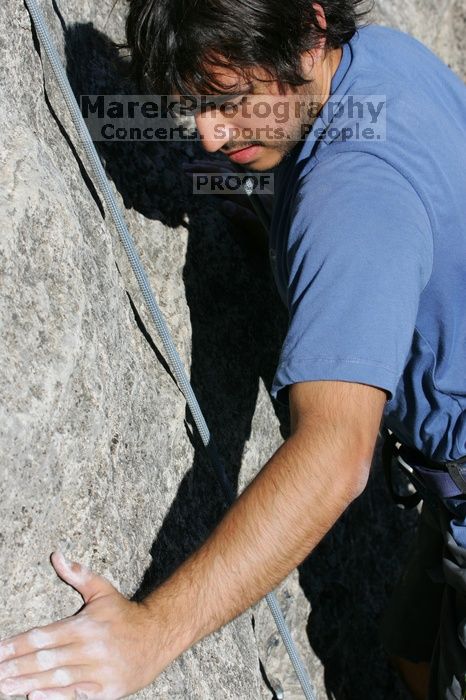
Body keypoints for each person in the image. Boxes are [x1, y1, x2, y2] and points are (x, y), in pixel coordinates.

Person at [0, 1, 465, 698]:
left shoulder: (349, 197)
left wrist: (150, 632)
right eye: (193, 109)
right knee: (413, 652)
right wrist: (276, 223)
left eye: (228, 102)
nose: (212, 137)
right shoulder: (376, 60)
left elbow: (335, 456)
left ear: (307, 32)